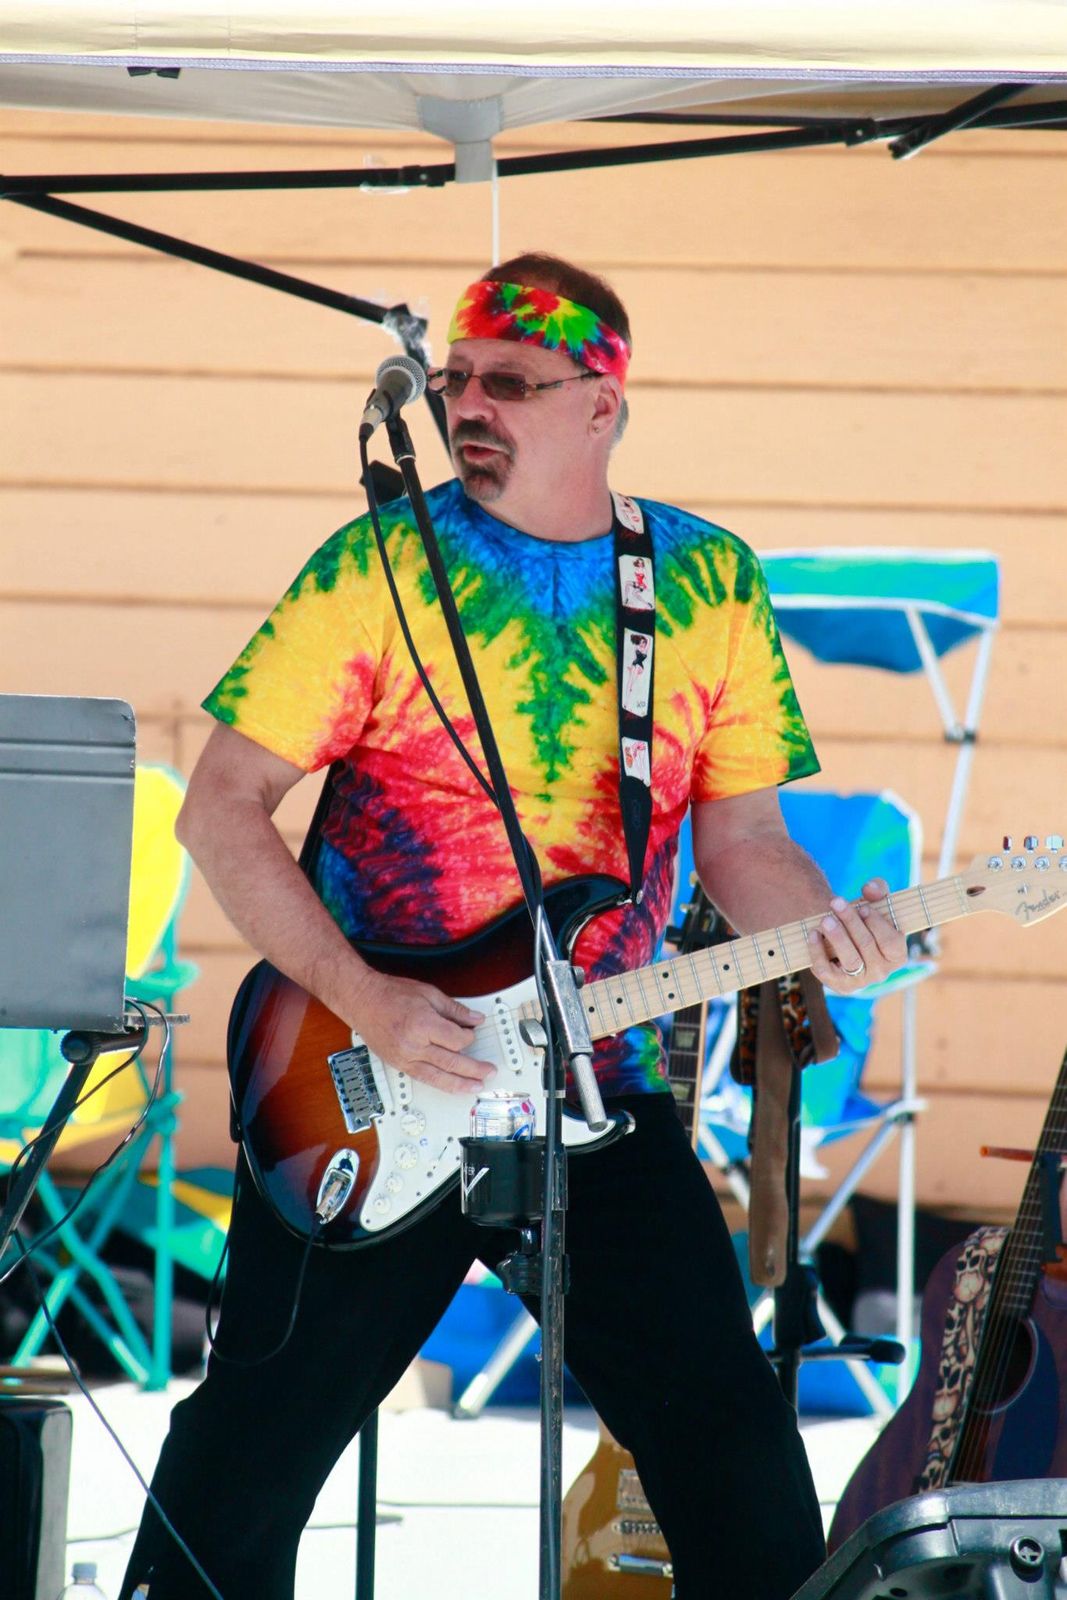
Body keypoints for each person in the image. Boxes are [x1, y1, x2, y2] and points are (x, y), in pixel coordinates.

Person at [121, 251, 905, 1600]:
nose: (469, 405)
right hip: (369, 1080)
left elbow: (745, 844)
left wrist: (835, 935)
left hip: (597, 1088)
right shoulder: (380, 566)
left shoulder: (706, 584)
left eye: (510, 382)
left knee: (737, 1464)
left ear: (602, 402)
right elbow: (222, 808)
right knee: (244, 1464)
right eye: (455, 381)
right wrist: (366, 997)